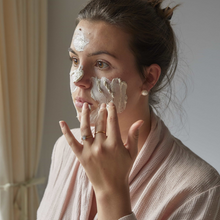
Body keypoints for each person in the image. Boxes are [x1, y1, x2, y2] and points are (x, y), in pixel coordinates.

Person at [37, 0, 220, 219]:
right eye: (75, 60)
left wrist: (111, 195)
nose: (79, 80)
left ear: (148, 78)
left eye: (101, 64)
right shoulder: (65, 151)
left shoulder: (198, 191)